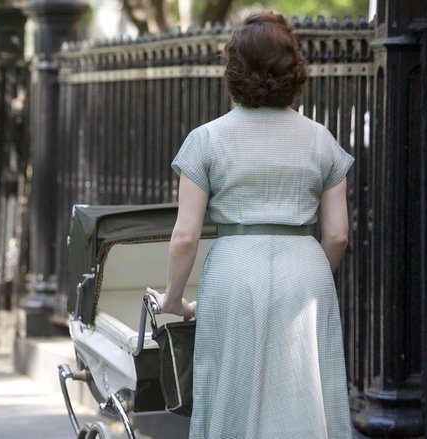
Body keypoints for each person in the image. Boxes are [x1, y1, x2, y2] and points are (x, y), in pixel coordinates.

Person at [147, 12, 353, 438]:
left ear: (235, 70)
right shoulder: (322, 140)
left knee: (232, 391)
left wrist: (174, 299)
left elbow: (185, 236)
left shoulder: (206, 140)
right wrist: (311, 274)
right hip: (305, 270)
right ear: (294, 68)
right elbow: (337, 235)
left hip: (234, 272)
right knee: (303, 393)